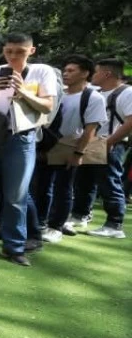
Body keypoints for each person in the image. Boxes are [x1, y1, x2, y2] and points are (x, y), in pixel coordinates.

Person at [0, 33, 58, 266]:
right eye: (8, 51)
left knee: (16, 195)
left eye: (19, 51)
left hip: (21, 136)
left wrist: (24, 92)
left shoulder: (42, 71)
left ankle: (14, 247)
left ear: (31, 51)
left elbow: (48, 106)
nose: (13, 56)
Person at [41, 55, 105, 243]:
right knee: (43, 186)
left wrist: (78, 153)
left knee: (64, 187)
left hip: (70, 145)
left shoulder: (93, 97)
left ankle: (56, 227)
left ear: (85, 73)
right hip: (47, 144)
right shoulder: (58, 93)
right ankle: (42, 222)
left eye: (71, 70)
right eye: (65, 70)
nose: (65, 74)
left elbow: (91, 128)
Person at [73, 57, 131, 238]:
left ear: (107, 74)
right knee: (84, 181)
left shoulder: (127, 92)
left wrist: (109, 142)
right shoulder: (95, 91)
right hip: (92, 142)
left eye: (96, 72)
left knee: (109, 182)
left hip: (110, 143)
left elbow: (130, 122)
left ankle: (115, 224)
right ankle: (79, 215)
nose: (92, 75)